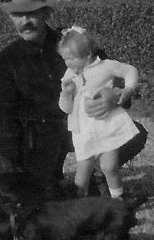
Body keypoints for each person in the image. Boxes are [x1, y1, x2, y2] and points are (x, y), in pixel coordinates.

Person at [0, 0, 145, 195]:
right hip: (40, 136)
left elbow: (109, 71)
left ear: (46, 13)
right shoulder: (8, 58)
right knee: (48, 195)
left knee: (135, 133)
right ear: (10, 17)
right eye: (17, 15)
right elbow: (5, 111)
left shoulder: (73, 43)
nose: (24, 21)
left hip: (84, 123)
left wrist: (115, 95)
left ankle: (100, 173)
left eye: (32, 14)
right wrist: (9, 161)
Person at [58, 26, 140, 199]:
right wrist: (66, 94)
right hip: (83, 131)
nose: (67, 63)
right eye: (65, 59)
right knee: (82, 172)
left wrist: (127, 90)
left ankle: (117, 200)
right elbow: (66, 109)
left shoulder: (106, 66)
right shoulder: (69, 76)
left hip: (106, 125)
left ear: (87, 54)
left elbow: (131, 70)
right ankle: (81, 205)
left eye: (71, 59)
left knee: (109, 167)